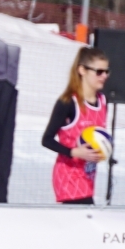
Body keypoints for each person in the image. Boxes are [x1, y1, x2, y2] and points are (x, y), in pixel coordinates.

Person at [42, 46, 109, 205]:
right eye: (99, 72)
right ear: (82, 70)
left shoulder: (102, 101)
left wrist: (102, 149)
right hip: (68, 177)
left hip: (88, 177)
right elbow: (46, 140)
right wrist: (74, 152)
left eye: (107, 71)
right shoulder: (67, 103)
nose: (104, 76)